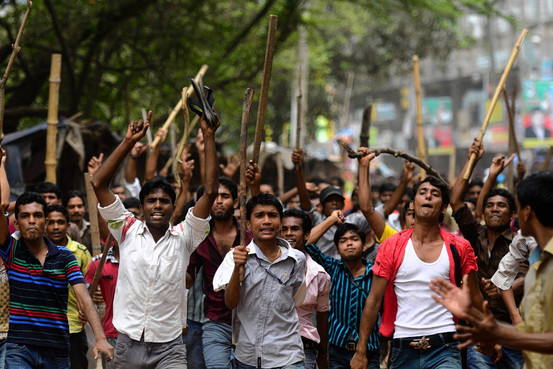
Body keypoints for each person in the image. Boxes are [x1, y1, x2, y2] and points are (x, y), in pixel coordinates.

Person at [91, 110, 219, 369]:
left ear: (174, 207)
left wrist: (209, 135)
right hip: (127, 343)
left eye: (164, 201)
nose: (158, 205)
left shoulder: (185, 236)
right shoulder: (126, 230)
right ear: (142, 206)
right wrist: (127, 142)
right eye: (151, 200)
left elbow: (210, 192)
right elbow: (98, 184)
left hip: (170, 346)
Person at [350, 176, 479, 369]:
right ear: (413, 203)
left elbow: (474, 297)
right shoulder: (391, 246)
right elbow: (374, 299)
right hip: (403, 347)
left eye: (434, 194)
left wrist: (489, 336)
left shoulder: (459, 247)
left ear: (443, 207)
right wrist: (361, 351)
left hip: (445, 346)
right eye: (422, 192)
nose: (428, 197)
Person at [431, 172, 553, 368]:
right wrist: (480, 319)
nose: (495, 210)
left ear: (525, 213)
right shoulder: (531, 257)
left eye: (516, 207)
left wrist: (499, 333)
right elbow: (534, 331)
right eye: (490, 206)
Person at [0, 177, 113, 368]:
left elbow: (84, 298)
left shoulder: (65, 257)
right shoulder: (11, 251)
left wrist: (100, 338)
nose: (32, 221)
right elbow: (1, 205)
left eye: (37, 215)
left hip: (57, 350)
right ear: (16, 223)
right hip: (19, 349)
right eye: (25, 216)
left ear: (45, 220)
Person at [450, 140, 525, 369]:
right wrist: (473, 161)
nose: (494, 209)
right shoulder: (474, 234)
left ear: (513, 213)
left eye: (501, 206)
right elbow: (455, 200)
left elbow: (524, 277)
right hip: (480, 331)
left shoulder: (520, 242)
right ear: (483, 211)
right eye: (490, 205)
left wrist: (505, 286)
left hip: (513, 330)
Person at [213, 193, 306, 369]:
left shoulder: (297, 259)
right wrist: (236, 268)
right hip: (248, 355)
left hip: (288, 355)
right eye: (259, 216)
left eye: (272, 215)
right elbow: (230, 303)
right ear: (248, 224)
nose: (266, 221)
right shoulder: (235, 257)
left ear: (280, 222)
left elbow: (295, 299)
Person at [187, 177, 253, 369]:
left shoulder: (248, 236)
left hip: (248, 319)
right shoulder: (198, 237)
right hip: (214, 319)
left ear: (235, 201)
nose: (218, 201)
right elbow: (188, 280)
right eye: (214, 197)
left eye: (225, 196)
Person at [305, 219, 381, 369]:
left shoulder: (375, 273)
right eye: (343, 241)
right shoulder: (332, 268)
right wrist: (332, 220)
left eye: (354, 239)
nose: (349, 243)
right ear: (337, 248)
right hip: (337, 352)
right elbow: (306, 243)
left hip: (369, 351)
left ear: (364, 245)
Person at [281, 208, 331, 369]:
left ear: (306, 235)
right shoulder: (263, 265)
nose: (289, 233)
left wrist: (323, 353)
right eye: (284, 229)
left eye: (295, 229)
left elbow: (323, 316)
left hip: (305, 343)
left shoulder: (319, 274)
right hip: (271, 342)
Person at [45, 204, 92, 369]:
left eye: (60, 222)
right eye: (51, 222)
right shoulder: (35, 252)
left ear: (68, 225)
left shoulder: (81, 252)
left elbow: (90, 284)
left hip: (73, 325)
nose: (56, 227)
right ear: (44, 224)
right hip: (45, 327)